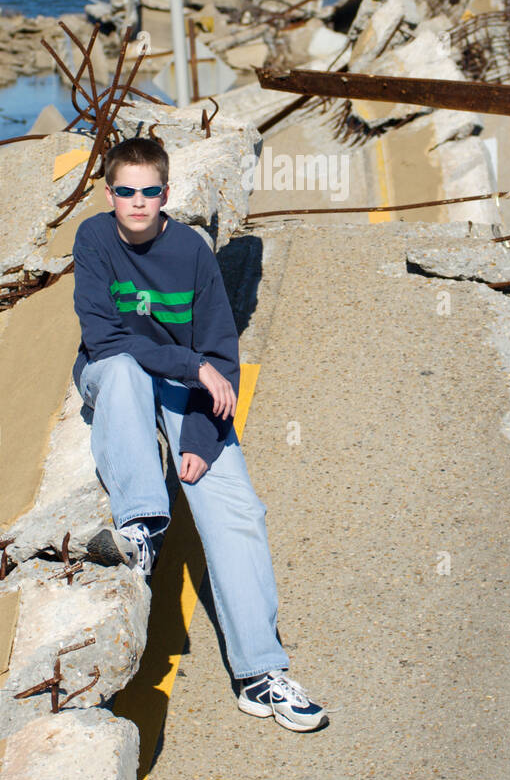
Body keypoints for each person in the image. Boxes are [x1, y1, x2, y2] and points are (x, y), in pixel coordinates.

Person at [71, 135, 326, 732]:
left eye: (150, 191)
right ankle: (140, 527)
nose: (138, 202)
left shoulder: (189, 252)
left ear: (165, 192)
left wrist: (199, 441)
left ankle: (262, 672)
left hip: (188, 389)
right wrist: (189, 365)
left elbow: (221, 356)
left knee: (237, 511)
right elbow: (106, 341)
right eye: (126, 192)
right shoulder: (94, 239)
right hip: (118, 373)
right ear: (110, 194)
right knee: (127, 372)